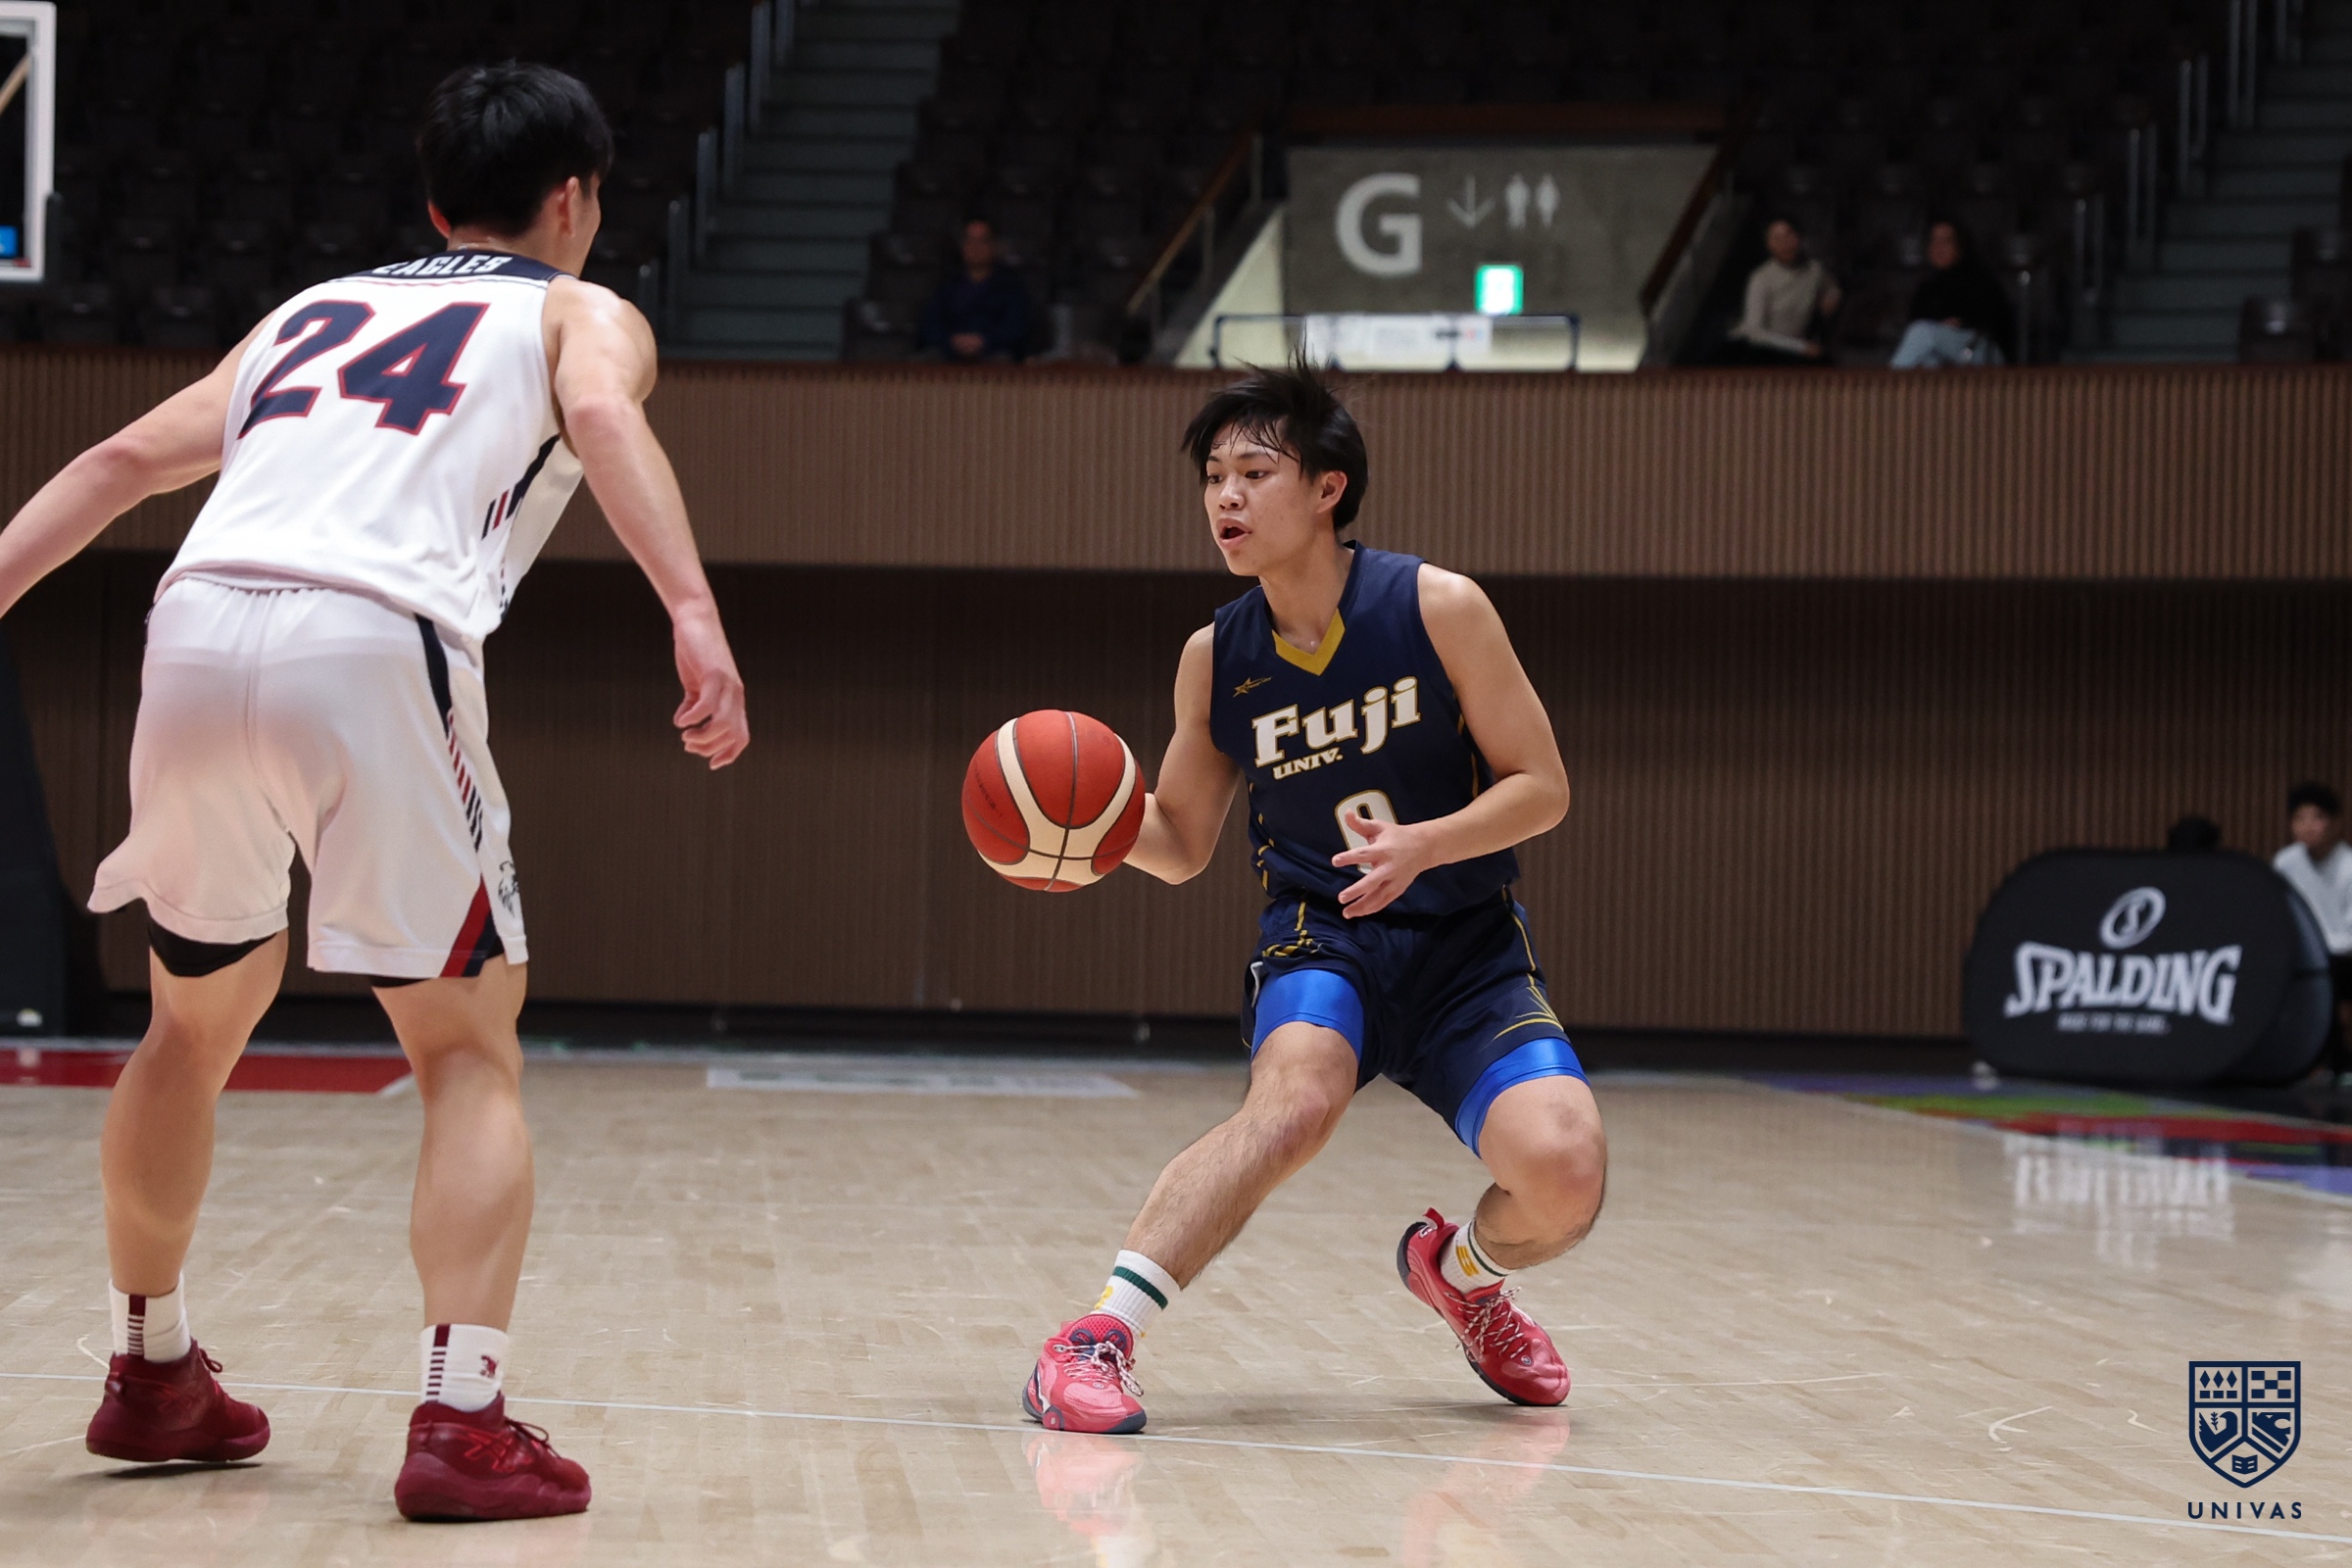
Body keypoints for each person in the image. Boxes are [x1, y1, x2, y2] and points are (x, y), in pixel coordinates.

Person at [0, 64, 750, 1519]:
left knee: (188, 1022)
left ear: (433, 202)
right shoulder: (576, 311)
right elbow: (602, 420)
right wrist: (694, 611)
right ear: (576, 199)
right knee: (464, 1045)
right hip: (371, 637)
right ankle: (463, 1424)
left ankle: (149, 1371)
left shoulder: (307, 310)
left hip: (195, 626)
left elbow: (118, 460)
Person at [1022, 360, 1605, 1434]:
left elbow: (1544, 787)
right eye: (1214, 477)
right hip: (1322, 935)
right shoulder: (1217, 655)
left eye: (1255, 472)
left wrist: (1427, 844)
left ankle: (1461, 1276)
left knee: (1566, 1171)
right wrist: (1081, 836)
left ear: (1329, 487)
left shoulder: (1437, 607)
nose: (1227, 497)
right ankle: (1096, 1336)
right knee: (1293, 1105)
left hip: (1466, 944)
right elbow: (1179, 842)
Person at [2274, 782, 2352, 1079]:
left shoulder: (2349, 865)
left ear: (2336, 823)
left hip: (2343, 954)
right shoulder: (2286, 861)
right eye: (2299, 818)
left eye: (2317, 818)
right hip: (2301, 951)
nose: (2308, 826)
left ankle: (2339, 1061)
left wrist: (2323, 948)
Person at [1889, 220, 2014, 368]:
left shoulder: (1978, 277)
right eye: (1934, 241)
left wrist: (1962, 322)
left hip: (1982, 351)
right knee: (1927, 357)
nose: (1938, 248)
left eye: (1946, 241)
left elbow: (1997, 319)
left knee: (1922, 332)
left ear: (1959, 246)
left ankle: (1887, 381)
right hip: (1945, 354)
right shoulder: (1926, 286)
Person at [1720, 218, 1840, 365]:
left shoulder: (1815, 269)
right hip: (1763, 350)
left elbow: (1832, 287)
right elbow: (1754, 332)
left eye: (1789, 235)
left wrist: (1831, 296)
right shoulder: (1761, 278)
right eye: (1777, 239)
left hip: (1798, 347)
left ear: (1798, 237)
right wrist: (1800, 347)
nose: (1785, 244)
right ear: (1769, 245)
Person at [917, 218, 1031, 363]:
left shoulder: (1010, 285)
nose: (975, 247)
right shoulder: (947, 284)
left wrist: (984, 341)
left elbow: (1016, 327)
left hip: (994, 352)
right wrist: (952, 341)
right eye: (969, 241)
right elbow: (930, 323)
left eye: (982, 241)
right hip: (949, 352)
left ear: (994, 245)